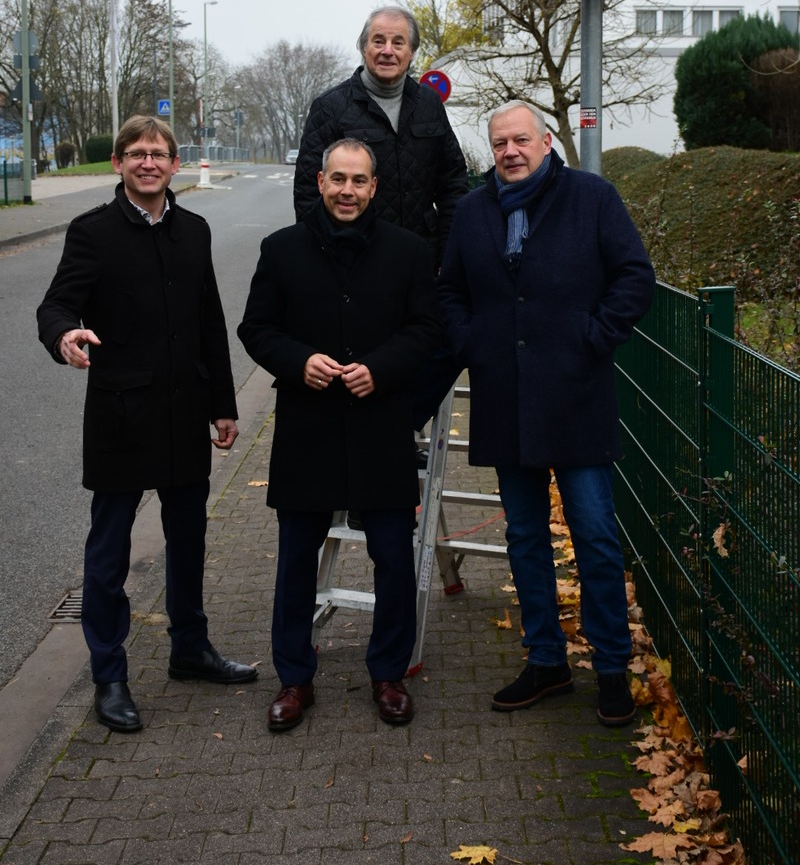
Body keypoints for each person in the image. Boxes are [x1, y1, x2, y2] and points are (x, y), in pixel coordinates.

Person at [437, 100, 655, 727]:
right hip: (507, 402)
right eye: (499, 142)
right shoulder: (473, 212)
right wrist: (471, 341)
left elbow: (634, 277)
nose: (509, 151)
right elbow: (450, 289)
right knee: (526, 538)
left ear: (546, 141)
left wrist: (594, 336)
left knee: (594, 537)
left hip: (577, 394)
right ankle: (547, 661)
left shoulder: (591, 197)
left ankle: (611, 668)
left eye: (520, 140)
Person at [37, 115, 257, 734]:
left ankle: (190, 648)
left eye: (159, 154)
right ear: (118, 163)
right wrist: (65, 335)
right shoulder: (92, 233)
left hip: (185, 413)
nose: (148, 163)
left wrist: (224, 403)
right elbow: (56, 304)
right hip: (120, 418)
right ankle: (109, 675)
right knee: (108, 554)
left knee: (188, 540)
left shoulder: (196, 231)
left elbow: (210, 320)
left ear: (175, 164)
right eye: (136, 154)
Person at [238, 138, 442, 731]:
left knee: (392, 558)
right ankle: (294, 679)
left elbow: (428, 328)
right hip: (309, 426)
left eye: (359, 181)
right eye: (337, 179)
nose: (347, 191)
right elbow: (257, 328)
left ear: (373, 187)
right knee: (296, 559)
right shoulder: (281, 250)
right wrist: (297, 361)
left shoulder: (408, 252)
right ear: (320, 183)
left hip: (380, 424)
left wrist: (381, 368)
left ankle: (389, 674)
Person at [293, 6, 468, 271]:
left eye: (398, 43)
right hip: (355, 263)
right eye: (378, 41)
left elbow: (453, 183)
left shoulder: (429, 104)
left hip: (422, 262)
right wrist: (326, 262)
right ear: (364, 48)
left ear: (411, 53)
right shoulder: (330, 108)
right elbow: (308, 194)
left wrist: (449, 253)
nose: (388, 50)